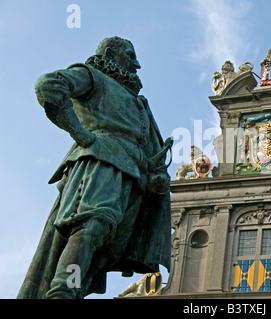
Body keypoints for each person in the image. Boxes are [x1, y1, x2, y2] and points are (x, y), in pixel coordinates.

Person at [17, 36, 172, 299]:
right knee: (93, 225)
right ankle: (62, 292)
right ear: (111, 54)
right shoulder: (92, 77)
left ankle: (74, 291)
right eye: (130, 56)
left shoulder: (139, 102)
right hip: (101, 162)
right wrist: (80, 133)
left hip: (133, 178)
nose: (136, 64)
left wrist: (154, 174)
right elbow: (48, 84)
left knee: (108, 250)